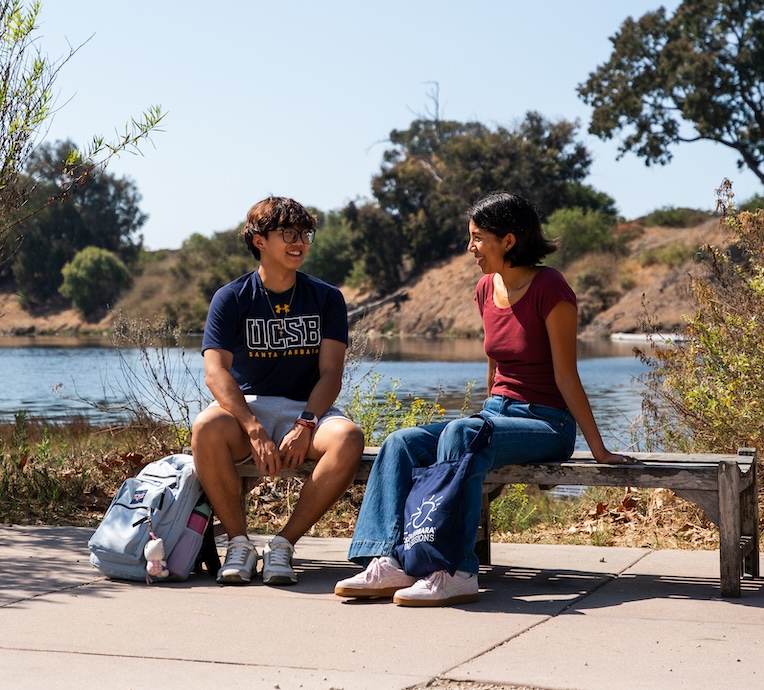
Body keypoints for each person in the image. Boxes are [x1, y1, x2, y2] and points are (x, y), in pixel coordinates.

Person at [335, 191, 633, 606]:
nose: (470, 248)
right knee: (400, 443)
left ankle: (454, 570)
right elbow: (493, 363)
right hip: (497, 416)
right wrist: (484, 415)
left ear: (508, 241)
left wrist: (597, 448)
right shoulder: (484, 288)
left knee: (463, 434)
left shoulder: (551, 287)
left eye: (477, 238)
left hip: (547, 423)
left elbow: (566, 374)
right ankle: (390, 559)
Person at [194, 196, 366, 586]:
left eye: (305, 232)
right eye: (287, 232)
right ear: (259, 240)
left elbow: (331, 374)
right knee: (206, 427)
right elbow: (216, 373)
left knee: (349, 438)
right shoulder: (231, 297)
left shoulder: (326, 298)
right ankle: (239, 544)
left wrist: (307, 423)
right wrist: (253, 428)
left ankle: (283, 545)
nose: (299, 241)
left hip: (306, 408)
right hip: (248, 409)